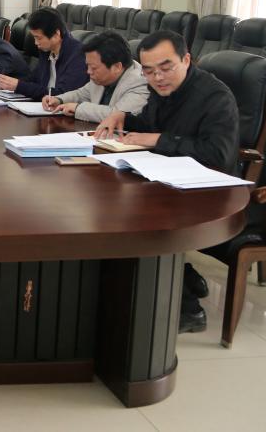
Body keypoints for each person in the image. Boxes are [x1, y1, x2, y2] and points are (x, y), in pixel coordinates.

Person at [94, 30, 240, 334]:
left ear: (186, 59)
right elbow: (150, 126)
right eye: (149, 71)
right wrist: (123, 118)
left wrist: (158, 139)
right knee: (109, 200)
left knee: (140, 218)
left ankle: (189, 309)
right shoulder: (161, 91)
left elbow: (218, 154)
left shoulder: (215, 97)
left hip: (208, 190)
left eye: (166, 67)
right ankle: (181, 276)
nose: (158, 78)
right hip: (168, 180)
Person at [41, 31, 149, 122]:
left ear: (117, 67)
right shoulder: (101, 78)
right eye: (87, 66)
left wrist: (78, 108)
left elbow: (118, 115)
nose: (88, 72)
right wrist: (59, 99)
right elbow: (81, 94)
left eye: (93, 68)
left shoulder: (140, 82)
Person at [0, 7, 87, 100]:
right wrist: (8, 83)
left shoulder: (77, 55)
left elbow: (62, 94)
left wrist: (19, 86)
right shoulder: (46, 50)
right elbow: (34, 79)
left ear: (56, 34)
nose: (36, 43)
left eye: (38, 38)